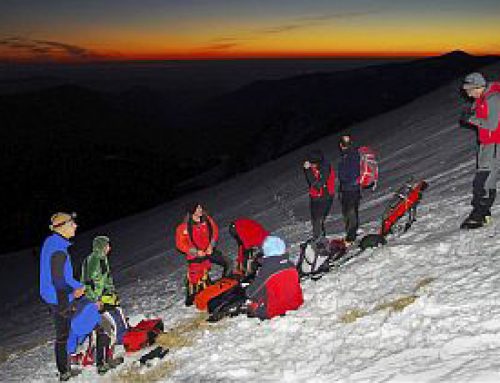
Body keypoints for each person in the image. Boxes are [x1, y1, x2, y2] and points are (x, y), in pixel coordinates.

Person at [460, 72, 500, 229]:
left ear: (478, 86)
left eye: (469, 90)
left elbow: (492, 125)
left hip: (495, 144)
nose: (468, 94)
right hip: (485, 144)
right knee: (484, 178)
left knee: (484, 180)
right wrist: (471, 115)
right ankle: (484, 213)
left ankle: (480, 214)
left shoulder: (493, 99)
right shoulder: (481, 100)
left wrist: (470, 119)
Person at [81, 235, 126, 370]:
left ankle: (100, 360)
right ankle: (104, 362)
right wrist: (97, 300)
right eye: (107, 245)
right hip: (94, 300)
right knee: (109, 328)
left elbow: (105, 280)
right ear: (101, 246)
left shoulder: (98, 258)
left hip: (96, 298)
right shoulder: (96, 259)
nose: (109, 248)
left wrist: (111, 293)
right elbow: (93, 282)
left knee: (102, 330)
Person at [175, 203, 232, 306]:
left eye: (200, 208)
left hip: (208, 251)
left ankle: (226, 285)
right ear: (192, 211)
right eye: (197, 208)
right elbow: (180, 244)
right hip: (196, 257)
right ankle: (193, 296)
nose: (200, 210)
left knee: (228, 263)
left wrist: (211, 246)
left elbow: (214, 232)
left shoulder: (207, 220)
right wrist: (195, 252)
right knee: (196, 280)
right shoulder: (184, 227)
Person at [245, 236, 303, 320]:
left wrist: (248, 289)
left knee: (252, 305)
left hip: (276, 309)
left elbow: (252, 293)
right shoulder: (291, 264)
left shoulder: (267, 269)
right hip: (296, 303)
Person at [303, 150, 335, 240]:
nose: (309, 164)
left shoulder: (325, 169)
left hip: (324, 197)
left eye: (311, 162)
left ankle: (319, 240)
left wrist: (308, 170)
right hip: (315, 197)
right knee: (315, 220)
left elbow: (317, 185)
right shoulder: (315, 166)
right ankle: (319, 238)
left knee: (318, 220)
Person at [337, 135, 361, 244]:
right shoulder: (347, 155)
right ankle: (350, 233)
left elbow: (352, 173)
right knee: (348, 211)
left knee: (350, 212)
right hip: (347, 188)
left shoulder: (352, 155)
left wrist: (345, 180)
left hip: (351, 188)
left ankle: (351, 236)